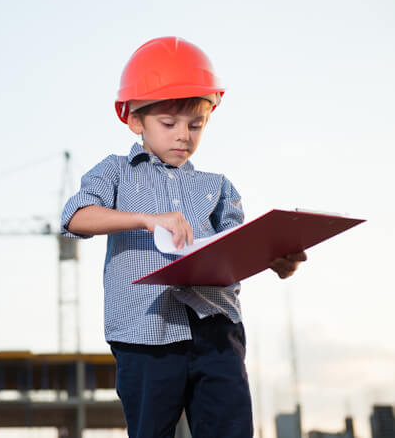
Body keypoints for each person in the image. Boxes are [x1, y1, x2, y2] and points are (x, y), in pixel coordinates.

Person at [61, 36, 306, 438]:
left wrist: (276, 259)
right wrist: (145, 219)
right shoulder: (116, 171)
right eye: (169, 123)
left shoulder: (218, 186)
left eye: (196, 125)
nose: (184, 136)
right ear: (134, 120)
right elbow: (76, 216)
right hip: (145, 331)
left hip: (217, 331)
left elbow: (237, 247)